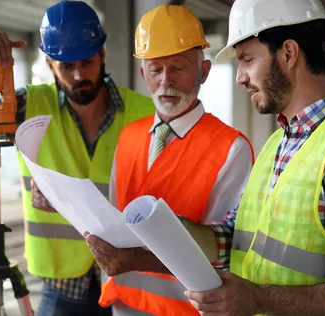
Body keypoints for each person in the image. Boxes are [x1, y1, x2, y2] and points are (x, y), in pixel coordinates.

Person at [183, 0, 325, 315]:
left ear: (289, 53)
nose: (240, 77)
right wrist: (183, 233)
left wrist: (258, 299)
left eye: (247, 60)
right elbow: (242, 237)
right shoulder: (278, 142)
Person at [0, 1, 156, 315]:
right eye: (66, 66)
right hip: (61, 285)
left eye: (88, 62)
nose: (79, 75)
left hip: (131, 278)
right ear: (50, 65)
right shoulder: (28, 106)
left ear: (103, 55)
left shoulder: (145, 113)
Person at [83, 5, 254, 316]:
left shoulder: (232, 149)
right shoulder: (129, 137)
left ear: (203, 71)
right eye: (155, 69)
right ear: (143, 73)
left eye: (178, 67)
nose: (166, 82)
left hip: (185, 310)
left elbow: (226, 251)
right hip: (123, 304)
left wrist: (136, 259)